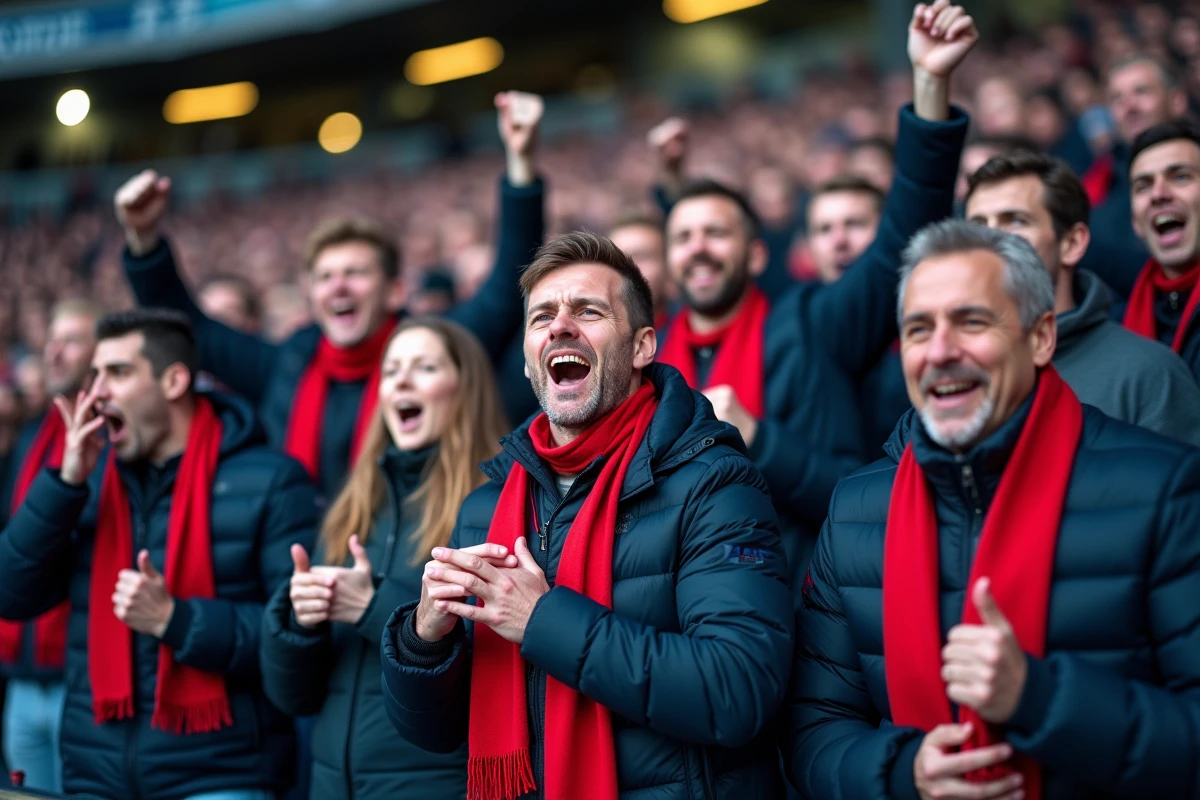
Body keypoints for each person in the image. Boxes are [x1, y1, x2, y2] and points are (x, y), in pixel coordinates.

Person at [785, 220, 1200, 800]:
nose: (941, 351)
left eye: (971, 321)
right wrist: (904, 773)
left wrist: (1039, 697)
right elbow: (813, 732)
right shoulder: (856, 509)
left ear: (1041, 338)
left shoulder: (1164, 488)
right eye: (919, 329)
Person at [381, 232, 793, 799]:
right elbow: (433, 734)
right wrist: (424, 639)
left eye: (589, 311)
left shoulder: (714, 482)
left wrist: (543, 619)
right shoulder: (487, 507)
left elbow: (738, 691)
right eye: (542, 316)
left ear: (644, 345)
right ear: (528, 361)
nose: (560, 326)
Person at [657, 0, 971, 586]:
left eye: (716, 233)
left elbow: (902, 236)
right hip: (683, 614)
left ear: (756, 254)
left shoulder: (810, 323)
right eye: (683, 237)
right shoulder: (646, 369)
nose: (698, 248)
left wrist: (929, 86)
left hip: (805, 603)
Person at [115, 91, 546, 500]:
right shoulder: (288, 362)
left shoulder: (436, 346)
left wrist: (520, 165)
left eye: (355, 273)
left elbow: (503, 292)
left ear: (395, 290)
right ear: (311, 295)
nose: (337, 286)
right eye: (324, 277)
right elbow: (193, 330)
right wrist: (144, 240)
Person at [0, 309, 319, 800]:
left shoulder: (272, 480)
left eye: (119, 373)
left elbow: (298, 637)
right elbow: (9, 593)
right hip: (96, 773)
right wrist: (62, 484)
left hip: (221, 775)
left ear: (174, 380)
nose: (97, 391)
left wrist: (176, 619)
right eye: (95, 375)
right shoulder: (87, 483)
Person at [261, 317, 508, 800]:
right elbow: (294, 697)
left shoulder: (492, 504)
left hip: (436, 784)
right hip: (331, 784)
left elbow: (497, 668)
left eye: (425, 367)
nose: (402, 381)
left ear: (466, 386)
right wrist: (297, 622)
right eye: (392, 369)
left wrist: (373, 606)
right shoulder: (352, 505)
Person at [965, 150, 1200, 444]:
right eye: (977, 227)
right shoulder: (951, 368)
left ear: (1072, 243)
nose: (991, 240)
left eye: (1015, 221)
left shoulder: (1150, 376)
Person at [0, 299, 102, 794]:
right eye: (51, 340)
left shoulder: (113, 440)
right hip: (21, 673)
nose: (54, 351)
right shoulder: (33, 435)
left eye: (72, 340)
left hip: (79, 676)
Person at [1077, 54, 1187, 298]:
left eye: (1142, 92)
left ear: (1177, 100)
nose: (1130, 106)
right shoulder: (1096, 189)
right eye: (1117, 99)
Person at [1123, 119, 1200, 381]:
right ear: (1135, 222)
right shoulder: (1118, 322)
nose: (1158, 194)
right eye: (1143, 186)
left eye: (1180, 177)